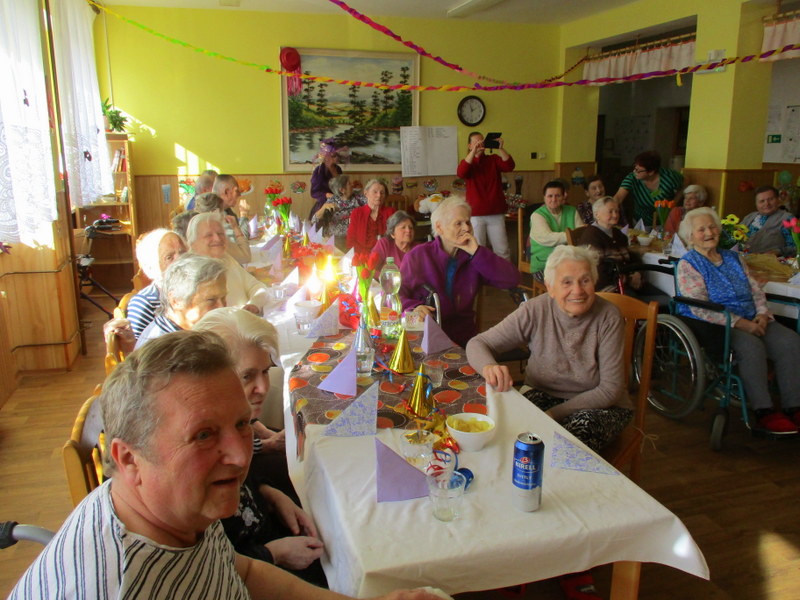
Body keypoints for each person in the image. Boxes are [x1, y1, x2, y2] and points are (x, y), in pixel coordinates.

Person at [9, 331, 443, 600]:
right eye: (203, 435)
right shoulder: (125, 586)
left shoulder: (177, 509)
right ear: (128, 459)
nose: (239, 456)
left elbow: (243, 572)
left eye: (241, 424)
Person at [194, 308, 326, 584]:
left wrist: (269, 493)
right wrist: (274, 554)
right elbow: (211, 568)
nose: (263, 387)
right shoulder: (196, 451)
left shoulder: (231, 425)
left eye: (265, 371)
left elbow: (246, 473)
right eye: (247, 376)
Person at [467, 244, 631, 449]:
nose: (577, 290)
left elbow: (610, 389)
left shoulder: (608, 317)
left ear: (594, 281)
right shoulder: (535, 310)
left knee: (567, 442)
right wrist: (488, 367)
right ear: (550, 287)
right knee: (504, 430)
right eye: (567, 282)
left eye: (585, 280)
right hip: (542, 394)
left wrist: (554, 415)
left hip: (599, 405)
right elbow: (478, 343)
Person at [676, 207, 800, 434]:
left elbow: (755, 290)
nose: (709, 232)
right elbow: (699, 308)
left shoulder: (734, 257)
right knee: (752, 347)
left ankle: (794, 406)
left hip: (753, 317)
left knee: (790, 341)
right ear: (690, 237)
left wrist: (762, 315)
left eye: (712, 227)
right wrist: (742, 324)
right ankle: (764, 411)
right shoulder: (689, 264)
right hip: (718, 325)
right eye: (701, 229)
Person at [400, 196, 519, 347]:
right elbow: (396, 294)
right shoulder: (418, 256)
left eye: (468, 222)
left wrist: (477, 252)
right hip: (425, 334)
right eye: (458, 223)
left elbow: (512, 279)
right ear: (439, 227)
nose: (467, 228)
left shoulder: (475, 257)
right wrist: (414, 307)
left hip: (463, 338)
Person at [135, 253, 227, 348]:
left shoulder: (190, 335)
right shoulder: (166, 350)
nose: (222, 307)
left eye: (223, 298)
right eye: (211, 300)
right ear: (176, 301)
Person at [187, 212, 268, 313]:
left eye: (220, 233)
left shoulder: (225, 258)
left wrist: (254, 304)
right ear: (193, 243)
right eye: (209, 235)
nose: (217, 239)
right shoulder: (190, 273)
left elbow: (256, 286)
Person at [456, 131, 515, 260]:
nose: (480, 144)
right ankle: (478, 273)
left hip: (496, 212)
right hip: (476, 214)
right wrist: (473, 152)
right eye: (476, 142)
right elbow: (461, 173)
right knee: (477, 249)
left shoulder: (493, 159)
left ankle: (504, 273)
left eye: (482, 141)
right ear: (469, 145)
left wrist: (501, 148)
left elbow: (509, 166)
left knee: (502, 250)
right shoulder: (468, 162)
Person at [127, 228, 187, 338]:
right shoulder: (145, 303)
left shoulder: (197, 291)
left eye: (182, 253)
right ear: (150, 268)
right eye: (169, 257)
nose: (180, 260)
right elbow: (140, 347)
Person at [580, 197, 642, 293]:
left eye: (617, 211)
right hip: (609, 289)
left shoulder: (617, 233)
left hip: (625, 283)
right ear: (597, 215)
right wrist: (629, 279)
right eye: (610, 211)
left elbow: (632, 257)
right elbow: (598, 272)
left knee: (663, 294)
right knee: (659, 299)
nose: (615, 215)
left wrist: (637, 273)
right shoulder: (591, 236)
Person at [614, 150, 683, 225]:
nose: (634, 172)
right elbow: (618, 197)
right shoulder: (632, 178)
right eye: (635, 168)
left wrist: (675, 202)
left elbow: (684, 184)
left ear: (651, 172)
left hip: (665, 221)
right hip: (641, 220)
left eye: (638, 170)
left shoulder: (670, 177)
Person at [529, 180, 578, 279]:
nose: (554, 199)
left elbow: (581, 232)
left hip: (570, 263)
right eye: (550, 196)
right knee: (567, 281)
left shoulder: (572, 211)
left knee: (583, 276)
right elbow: (548, 238)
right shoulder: (537, 215)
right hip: (544, 265)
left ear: (563, 196)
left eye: (557, 196)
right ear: (544, 197)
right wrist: (571, 235)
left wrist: (576, 234)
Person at [195, 191, 251, 265]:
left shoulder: (195, 233)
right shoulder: (217, 237)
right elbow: (245, 257)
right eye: (222, 212)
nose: (224, 216)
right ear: (215, 212)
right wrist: (236, 228)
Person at [312, 174, 364, 249]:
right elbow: (314, 220)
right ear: (342, 190)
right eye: (349, 184)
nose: (352, 185)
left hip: (355, 238)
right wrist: (323, 208)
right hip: (336, 239)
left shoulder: (358, 198)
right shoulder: (332, 201)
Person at [742, 185, 796, 256]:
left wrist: (778, 252)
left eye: (771, 199)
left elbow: (795, 247)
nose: (766, 204)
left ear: (778, 199)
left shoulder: (787, 218)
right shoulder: (749, 217)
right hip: (743, 259)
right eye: (762, 201)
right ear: (756, 204)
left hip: (771, 261)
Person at [346, 179, 396, 254]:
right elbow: (350, 241)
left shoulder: (391, 212)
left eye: (382, 193)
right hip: (362, 256)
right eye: (375, 192)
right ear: (366, 193)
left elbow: (396, 239)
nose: (379, 195)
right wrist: (366, 256)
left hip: (386, 256)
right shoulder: (357, 213)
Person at [309, 139, 344, 220]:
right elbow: (314, 192)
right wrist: (327, 195)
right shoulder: (319, 170)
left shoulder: (338, 169)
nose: (337, 158)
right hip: (324, 207)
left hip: (339, 204)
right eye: (334, 156)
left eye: (337, 155)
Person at [214, 174, 252, 244]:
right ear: (226, 192)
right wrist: (244, 214)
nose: (239, 195)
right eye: (236, 191)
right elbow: (241, 242)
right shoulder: (215, 215)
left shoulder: (227, 211)